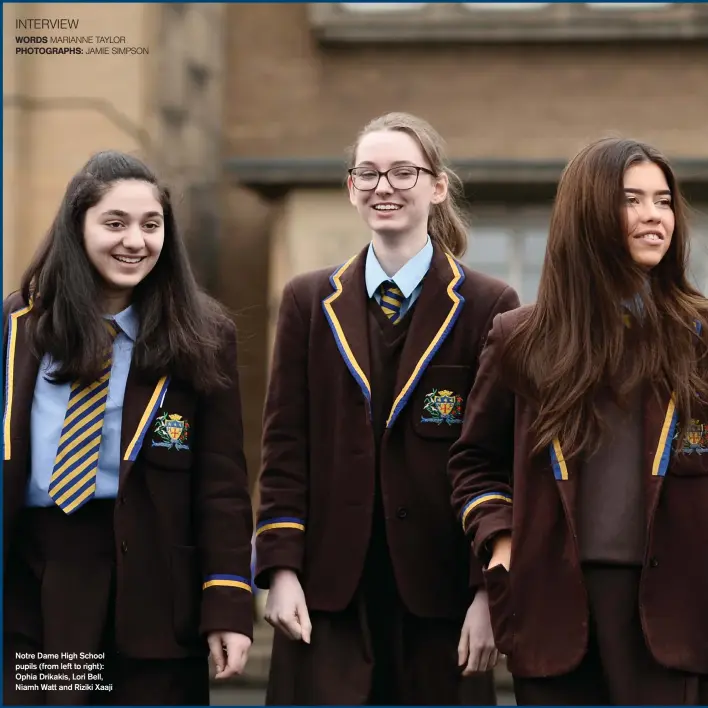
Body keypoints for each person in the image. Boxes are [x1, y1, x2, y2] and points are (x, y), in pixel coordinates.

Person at [255, 112, 520, 705]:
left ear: (437, 186)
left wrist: (487, 593)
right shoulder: (307, 300)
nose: (385, 187)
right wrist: (280, 572)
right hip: (327, 593)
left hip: (441, 595)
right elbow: (284, 449)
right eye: (369, 174)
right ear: (351, 189)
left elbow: (499, 460)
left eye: (404, 172)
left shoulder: (488, 305)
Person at [448, 137, 708, 705]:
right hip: (551, 606)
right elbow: (474, 462)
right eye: (632, 200)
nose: (653, 217)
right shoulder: (521, 338)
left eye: (663, 202)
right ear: (588, 214)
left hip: (675, 609)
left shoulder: (701, 338)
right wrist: (501, 544)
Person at [2, 151, 253, 705]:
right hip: (37, 587)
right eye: (114, 223)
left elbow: (222, 486)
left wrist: (229, 605)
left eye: (150, 225)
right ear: (77, 226)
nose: (134, 241)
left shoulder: (203, 335)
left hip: (155, 594)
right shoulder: (16, 325)